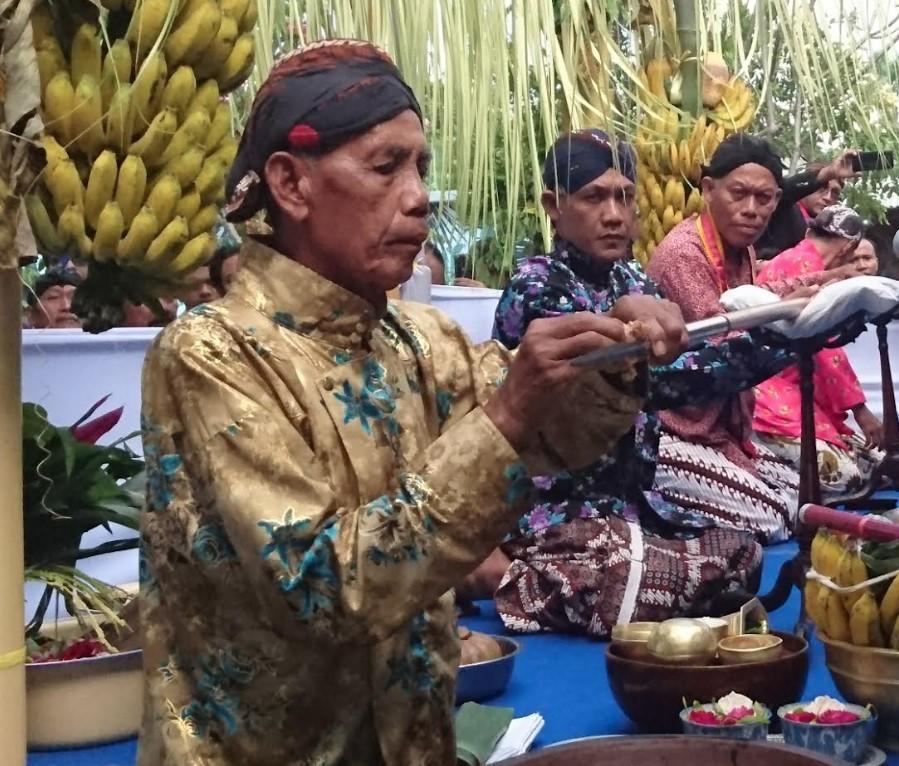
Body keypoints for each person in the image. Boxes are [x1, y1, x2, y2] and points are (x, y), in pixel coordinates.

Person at [136, 41, 687, 766]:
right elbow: (322, 587)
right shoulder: (211, 353)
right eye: (385, 165)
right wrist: (508, 418)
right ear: (291, 185)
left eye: (420, 166)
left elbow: (554, 442)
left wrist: (615, 351)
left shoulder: (423, 338)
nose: (420, 194)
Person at [482, 129, 804, 635]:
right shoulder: (539, 288)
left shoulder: (632, 281)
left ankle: (641, 581)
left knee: (740, 549)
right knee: (627, 574)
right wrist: (786, 341)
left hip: (631, 507)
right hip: (556, 517)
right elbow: (660, 384)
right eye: (594, 197)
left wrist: (797, 325)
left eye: (624, 196)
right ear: (554, 205)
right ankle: (508, 576)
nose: (614, 213)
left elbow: (689, 360)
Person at [647, 134, 833, 543]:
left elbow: (753, 304)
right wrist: (791, 325)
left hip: (724, 433)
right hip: (674, 435)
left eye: (764, 199)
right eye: (739, 194)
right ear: (708, 189)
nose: (752, 210)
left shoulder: (741, 249)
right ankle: (664, 518)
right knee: (780, 517)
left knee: (814, 496)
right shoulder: (684, 254)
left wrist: (827, 281)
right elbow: (725, 345)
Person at [752, 207, 885, 499]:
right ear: (850, 246)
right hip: (767, 394)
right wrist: (860, 409)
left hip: (789, 390)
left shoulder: (797, 259)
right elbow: (824, 350)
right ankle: (763, 475)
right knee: (847, 480)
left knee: (877, 467)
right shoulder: (809, 268)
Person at [757, 150, 859, 260]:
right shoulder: (784, 208)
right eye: (821, 189)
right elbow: (784, 190)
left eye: (834, 193)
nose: (828, 197)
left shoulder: (830, 230)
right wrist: (827, 173)